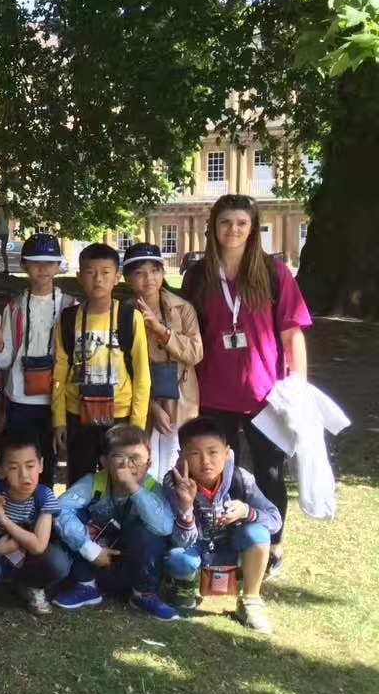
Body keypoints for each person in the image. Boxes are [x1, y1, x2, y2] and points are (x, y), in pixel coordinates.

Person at [180, 194, 311, 581]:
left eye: (241, 223)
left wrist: (299, 385)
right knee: (214, 472)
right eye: (225, 222)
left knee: (269, 472)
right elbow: (189, 333)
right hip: (213, 391)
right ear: (213, 227)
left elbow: (292, 333)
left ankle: (273, 544)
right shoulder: (198, 276)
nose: (233, 230)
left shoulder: (273, 273)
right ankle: (218, 540)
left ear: (253, 228)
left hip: (264, 394)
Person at [161, 416, 282, 634]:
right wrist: (187, 507)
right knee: (179, 559)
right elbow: (178, 540)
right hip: (194, 547)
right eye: (195, 454)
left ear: (227, 453)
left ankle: (250, 600)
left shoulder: (241, 479)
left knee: (257, 532)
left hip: (232, 546)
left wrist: (247, 512)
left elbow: (275, 520)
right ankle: (184, 587)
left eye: (213, 452)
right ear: (181, 456)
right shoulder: (174, 483)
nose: (205, 461)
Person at [52, 424, 176, 620]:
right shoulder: (94, 482)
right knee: (76, 515)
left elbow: (165, 527)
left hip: (133, 567)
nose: (128, 465)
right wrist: (90, 550)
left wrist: (134, 488)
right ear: (105, 462)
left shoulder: (153, 487)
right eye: (120, 457)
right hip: (96, 560)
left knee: (148, 531)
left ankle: (143, 594)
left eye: (136, 459)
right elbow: (59, 510)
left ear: (149, 464)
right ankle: (86, 586)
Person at [52, 243, 150, 484]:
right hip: (78, 414)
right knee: (80, 480)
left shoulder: (129, 317)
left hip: (119, 414)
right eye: (90, 272)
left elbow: (142, 374)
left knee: (121, 481)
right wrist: (59, 420)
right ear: (79, 277)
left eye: (106, 272)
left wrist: (136, 426)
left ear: (117, 277)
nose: (98, 279)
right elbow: (59, 373)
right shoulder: (69, 319)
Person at [0, 233, 74, 487]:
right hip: (20, 398)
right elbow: (5, 361)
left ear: (58, 265)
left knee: (48, 461)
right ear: (24, 265)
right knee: (18, 461)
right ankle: (18, 505)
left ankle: (44, 506)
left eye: (49, 263)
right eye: (36, 262)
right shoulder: (14, 307)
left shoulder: (71, 307)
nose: (43, 269)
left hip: (56, 398)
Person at [123, 242, 203, 480]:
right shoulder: (123, 313)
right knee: (143, 464)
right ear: (127, 278)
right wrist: (151, 406)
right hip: (143, 397)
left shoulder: (182, 309)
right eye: (140, 273)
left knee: (180, 464)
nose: (149, 278)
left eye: (154, 270)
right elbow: (124, 367)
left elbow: (195, 353)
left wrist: (161, 331)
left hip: (182, 394)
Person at [0, 431, 67, 616]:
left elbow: (39, 546)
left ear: (41, 465)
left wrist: (4, 520)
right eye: (14, 468)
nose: (25, 475)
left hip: (26, 557)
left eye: (30, 466)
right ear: (2, 469)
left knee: (58, 562)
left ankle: (31, 586)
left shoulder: (44, 496)